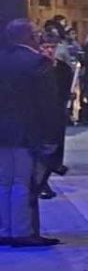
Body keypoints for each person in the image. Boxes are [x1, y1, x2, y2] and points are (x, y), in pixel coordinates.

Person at [1, 18, 63, 247]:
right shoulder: (38, 63)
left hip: (2, 133)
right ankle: (22, 231)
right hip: (27, 134)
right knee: (22, 183)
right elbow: (47, 104)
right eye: (36, 34)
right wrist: (51, 137)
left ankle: (4, 229)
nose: (39, 37)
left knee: (3, 182)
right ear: (29, 37)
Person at [36, 33, 76, 197]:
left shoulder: (63, 68)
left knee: (55, 150)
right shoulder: (36, 66)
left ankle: (46, 177)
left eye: (52, 47)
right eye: (45, 47)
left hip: (57, 114)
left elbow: (67, 88)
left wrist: (70, 97)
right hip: (39, 116)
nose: (49, 50)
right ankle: (41, 182)